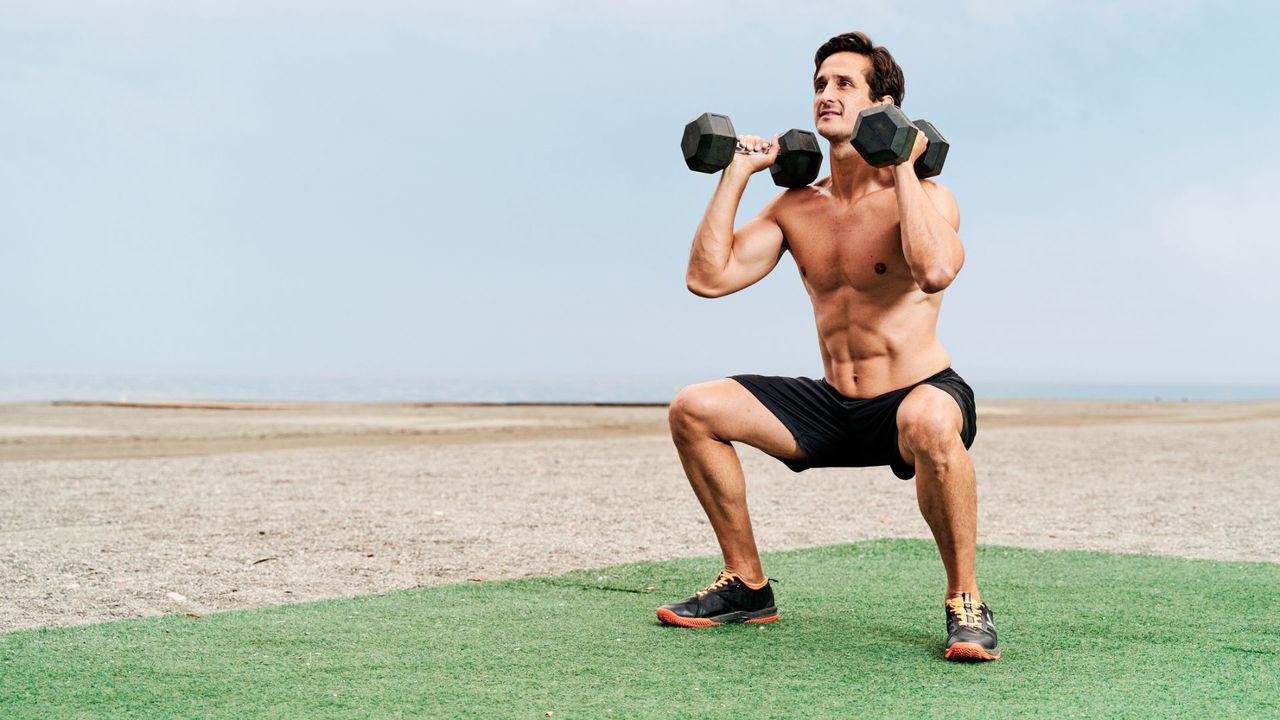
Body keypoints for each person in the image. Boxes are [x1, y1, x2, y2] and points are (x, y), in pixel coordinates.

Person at [658, 31, 999, 661]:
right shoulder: (797, 207)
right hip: (833, 406)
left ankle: (966, 601)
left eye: (844, 84)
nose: (826, 95)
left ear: (884, 105)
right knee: (693, 407)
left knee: (928, 418)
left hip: (914, 399)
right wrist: (737, 173)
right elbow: (707, 279)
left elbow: (935, 271)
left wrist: (900, 163)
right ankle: (746, 584)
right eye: (820, 84)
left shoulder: (925, 199)